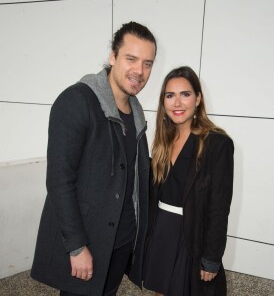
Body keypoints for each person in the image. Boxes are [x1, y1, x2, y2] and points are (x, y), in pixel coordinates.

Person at [31, 21, 157, 296]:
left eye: (147, 63)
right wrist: (76, 247)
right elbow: (59, 181)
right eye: (131, 59)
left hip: (121, 241)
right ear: (113, 57)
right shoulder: (77, 100)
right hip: (88, 242)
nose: (139, 71)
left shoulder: (135, 112)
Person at [143, 66, 234, 296]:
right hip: (162, 231)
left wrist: (212, 257)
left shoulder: (217, 143)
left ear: (198, 99)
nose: (177, 103)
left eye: (185, 94)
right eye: (170, 95)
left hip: (192, 236)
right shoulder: (163, 141)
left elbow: (219, 207)